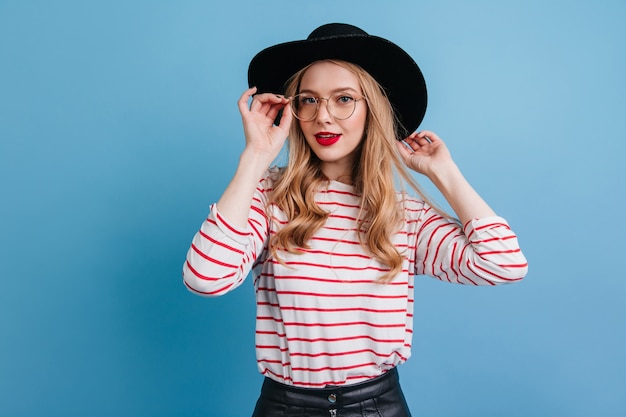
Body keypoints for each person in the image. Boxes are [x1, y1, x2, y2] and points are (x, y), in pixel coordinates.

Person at [182, 23, 528, 417]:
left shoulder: (404, 215)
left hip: (378, 407)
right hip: (284, 407)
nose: (323, 116)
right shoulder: (266, 198)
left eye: (343, 98)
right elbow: (205, 278)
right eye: (308, 100)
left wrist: (444, 173)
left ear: (372, 109)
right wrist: (255, 157)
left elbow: (504, 263)